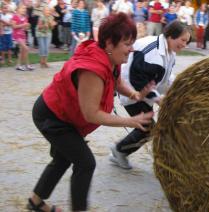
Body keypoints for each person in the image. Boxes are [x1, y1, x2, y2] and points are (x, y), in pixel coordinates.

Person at [26, 13, 154, 212]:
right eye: (127, 44)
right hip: (52, 115)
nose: (132, 49)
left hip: (65, 116)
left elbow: (117, 82)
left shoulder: (112, 57)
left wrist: (135, 94)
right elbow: (92, 114)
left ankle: (35, 203)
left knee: (63, 158)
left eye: (132, 43)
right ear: (110, 43)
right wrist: (129, 121)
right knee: (85, 163)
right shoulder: (92, 71)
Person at [109, 20, 191, 169]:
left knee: (147, 128)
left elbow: (165, 76)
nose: (185, 45)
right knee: (147, 127)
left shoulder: (169, 51)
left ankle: (120, 149)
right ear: (171, 36)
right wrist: (158, 98)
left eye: (187, 41)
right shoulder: (154, 51)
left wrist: (178, 86)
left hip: (145, 93)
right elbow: (138, 80)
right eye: (183, 40)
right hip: (133, 93)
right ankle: (119, 150)